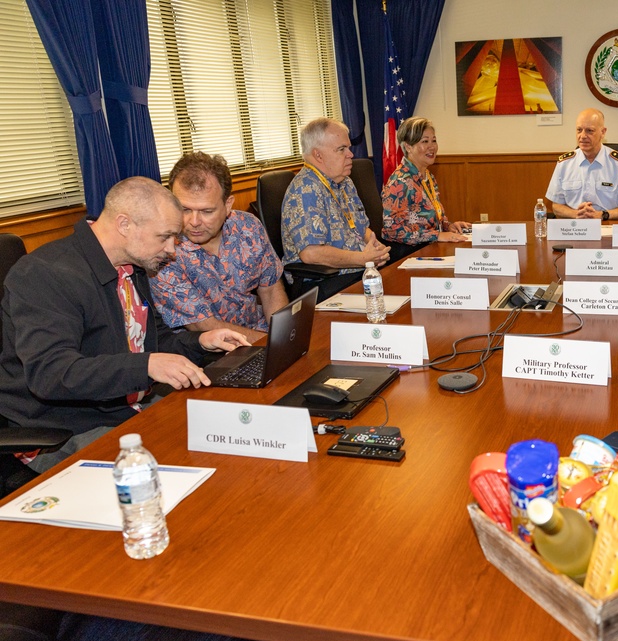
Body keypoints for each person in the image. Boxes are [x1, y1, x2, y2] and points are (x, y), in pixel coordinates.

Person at [0, 177, 250, 474]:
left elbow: (154, 344)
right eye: (165, 236)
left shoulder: (132, 265)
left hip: (126, 408)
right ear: (124, 225)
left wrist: (202, 341)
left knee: (229, 431)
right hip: (65, 428)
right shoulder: (46, 274)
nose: (172, 249)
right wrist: (144, 366)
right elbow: (51, 373)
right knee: (190, 465)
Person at [151, 152, 287, 343]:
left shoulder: (247, 226)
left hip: (259, 333)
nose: (194, 222)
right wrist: (271, 344)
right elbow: (204, 325)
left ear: (228, 204)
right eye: (185, 209)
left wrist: (283, 334)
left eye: (207, 211)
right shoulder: (162, 252)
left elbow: (271, 289)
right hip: (209, 351)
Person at [281, 118, 390, 300]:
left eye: (348, 147)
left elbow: (362, 228)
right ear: (318, 156)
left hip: (357, 270)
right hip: (323, 282)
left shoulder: (344, 181)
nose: (350, 154)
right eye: (342, 149)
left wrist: (375, 247)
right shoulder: (305, 190)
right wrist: (363, 259)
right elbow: (311, 253)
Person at [381, 117, 471, 245]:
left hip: (430, 246)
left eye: (434, 141)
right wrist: (437, 235)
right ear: (408, 147)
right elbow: (393, 231)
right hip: (408, 252)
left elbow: (432, 218)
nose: (432, 147)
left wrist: (448, 226)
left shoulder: (428, 176)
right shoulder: (400, 182)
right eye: (425, 141)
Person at [545, 108, 618, 220]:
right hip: (574, 228)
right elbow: (556, 205)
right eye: (579, 130)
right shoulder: (565, 164)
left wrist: (603, 215)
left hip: (608, 226)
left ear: (603, 132)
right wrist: (576, 214)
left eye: (589, 131)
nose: (582, 136)